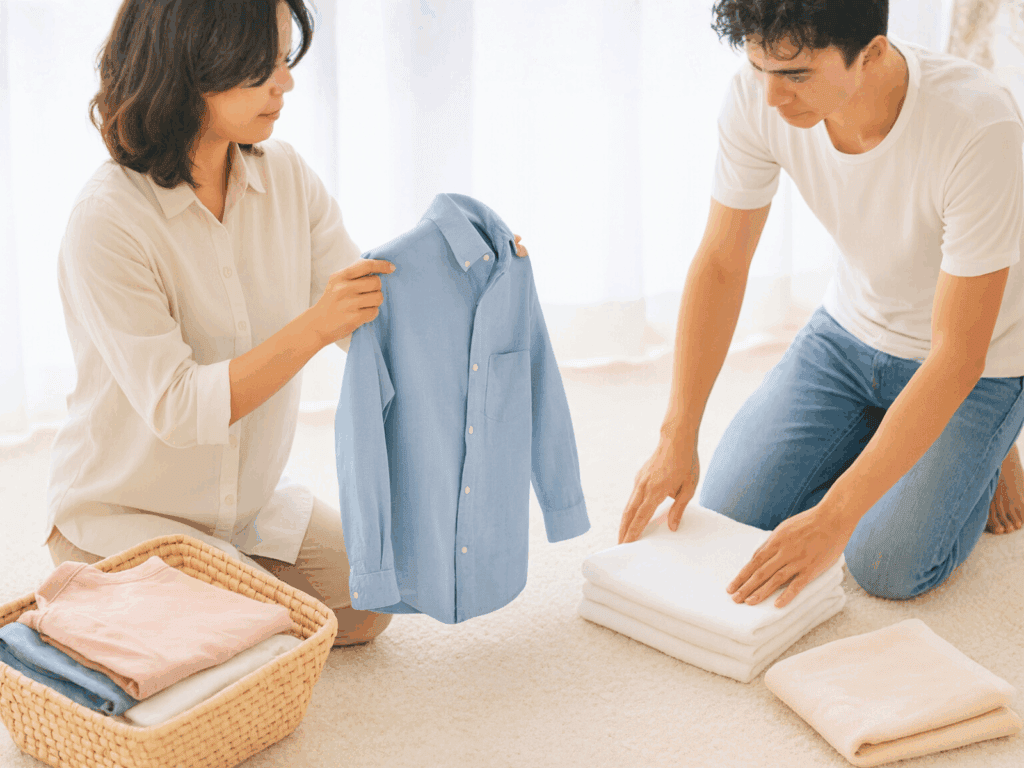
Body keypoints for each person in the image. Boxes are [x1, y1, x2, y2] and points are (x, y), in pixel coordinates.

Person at [43, 0, 530, 648]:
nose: (287, 81)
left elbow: (366, 313)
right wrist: (314, 327)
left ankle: (216, 588)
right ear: (193, 67)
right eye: (262, 65)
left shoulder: (287, 178)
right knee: (257, 642)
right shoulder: (108, 220)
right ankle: (102, 600)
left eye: (283, 59)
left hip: (244, 509)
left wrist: (470, 276)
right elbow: (181, 408)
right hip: (124, 515)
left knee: (365, 608)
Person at [618, 0, 1024, 610]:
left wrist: (836, 514)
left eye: (797, 75)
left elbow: (958, 353)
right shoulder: (757, 98)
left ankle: (990, 448)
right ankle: (896, 444)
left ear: (873, 54)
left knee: (885, 563)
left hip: (978, 357)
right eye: (760, 69)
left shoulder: (979, 126)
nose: (773, 98)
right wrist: (677, 434)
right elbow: (723, 264)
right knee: (733, 513)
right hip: (848, 332)